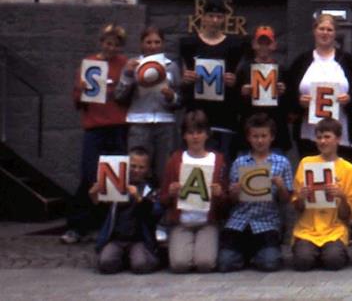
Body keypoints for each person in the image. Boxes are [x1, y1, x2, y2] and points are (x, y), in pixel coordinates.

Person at [63, 23, 130, 245]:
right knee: (90, 176)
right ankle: (77, 226)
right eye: (108, 43)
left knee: (115, 177)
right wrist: (81, 90)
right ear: (101, 42)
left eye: (116, 45)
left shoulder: (124, 64)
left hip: (118, 126)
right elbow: (77, 102)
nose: (111, 48)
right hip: (94, 127)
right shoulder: (89, 64)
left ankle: (109, 225)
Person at [217, 113, 293, 272]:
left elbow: (286, 200)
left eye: (264, 136)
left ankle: (257, 253)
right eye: (255, 136)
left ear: (271, 137)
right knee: (225, 264)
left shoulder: (282, 162)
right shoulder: (239, 162)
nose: (260, 140)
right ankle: (246, 253)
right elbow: (232, 201)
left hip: (267, 221)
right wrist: (234, 191)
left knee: (269, 264)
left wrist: (280, 186)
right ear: (248, 138)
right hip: (240, 220)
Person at [284, 13, 352, 161]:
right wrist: (299, 102)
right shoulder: (301, 62)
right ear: (314, 31)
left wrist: (350, 98)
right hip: (309, 133)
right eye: (322, 29)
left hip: (341, 133)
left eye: (329, 29)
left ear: (335, 33)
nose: (325, 33)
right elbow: (288, 91)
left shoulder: (348, 61)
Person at [178, 0, 247, 160]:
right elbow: (179, 81)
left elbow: (242, 80)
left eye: (219, 17)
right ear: (203, 17)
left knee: (223, 163)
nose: (215, 20)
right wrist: (185, 79)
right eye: (210, 16)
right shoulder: (189, 44)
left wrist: (234, 82)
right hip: (196, 112)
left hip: (225, 114)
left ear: (224, 19)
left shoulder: (235, 46)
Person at [160, 110, 228, 273]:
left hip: (207, 222)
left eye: (199, 132)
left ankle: (202, 248)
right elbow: (163, 198)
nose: (195, 137)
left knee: (205, 264)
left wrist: (220, 194)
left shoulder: (218, 160)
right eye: (190, 133)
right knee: (179, 265)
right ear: (184, 136)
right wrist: (171, 193)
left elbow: (227, 201)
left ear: (207, 135)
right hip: (182, 222)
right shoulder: (176, 159)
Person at [291, 117, 352, 271]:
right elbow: (297, 207)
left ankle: (330, 252)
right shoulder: (306, 163)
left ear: (338, 139)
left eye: (327, 137)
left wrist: (341, 197)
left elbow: (347, 216)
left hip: (334, 229)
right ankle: (311, 251)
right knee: (303, 262)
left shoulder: (348, 169)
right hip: (308, 228)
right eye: (319, 137)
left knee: (333, 261)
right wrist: (301, 197)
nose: (322, 142)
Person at [115, 26, 181, 183]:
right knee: (136, 171)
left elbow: (180, 99)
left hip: (165, 124)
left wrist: (172, 97)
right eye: (148, 42)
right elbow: (119, 96)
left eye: (157, 42)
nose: (153, 46)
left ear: (163, 43)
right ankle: (134, 203)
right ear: (141, 44)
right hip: (139, 123)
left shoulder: (171, 66)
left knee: (164, 171)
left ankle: (159, 205)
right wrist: (128, 75)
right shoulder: (132, 65)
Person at [91, 146, 161, 274]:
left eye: (141, 167)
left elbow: (154, 214)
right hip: (117, 238)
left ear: (148, 170)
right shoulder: (114, 185)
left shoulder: (150, 190)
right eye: (133, 166)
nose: (136, 170)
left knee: (141, 265)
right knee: (105, 264)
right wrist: (94, 195)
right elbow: (101, 212)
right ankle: (123, 258)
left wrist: (139, 198)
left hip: (139, 239)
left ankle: (147, 257)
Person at [237, 25, 291, 154]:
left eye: (267, 43)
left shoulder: (282, 69)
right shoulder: (244, 69)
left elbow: (290, 104)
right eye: (260, 43)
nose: (264, 47)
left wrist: (284, 93)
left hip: (276, 133)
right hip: (249, 133)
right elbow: (233, 104)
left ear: (274, 45)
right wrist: (242, 93)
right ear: (254, 44)